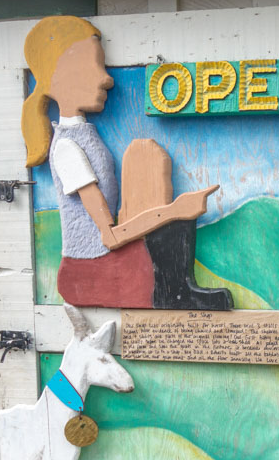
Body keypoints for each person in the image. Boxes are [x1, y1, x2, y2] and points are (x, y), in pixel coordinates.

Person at [21, 15, 232, 310]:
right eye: (91, 67)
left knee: (144, 158)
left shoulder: (80, 136)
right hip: (90, 272)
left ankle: (178, 288)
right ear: (58, 78)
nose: (106, 78)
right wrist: (174, 211)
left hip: (101, 265)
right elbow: (110, 237)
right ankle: (174, 292)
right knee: (168, 218)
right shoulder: (67, 148)